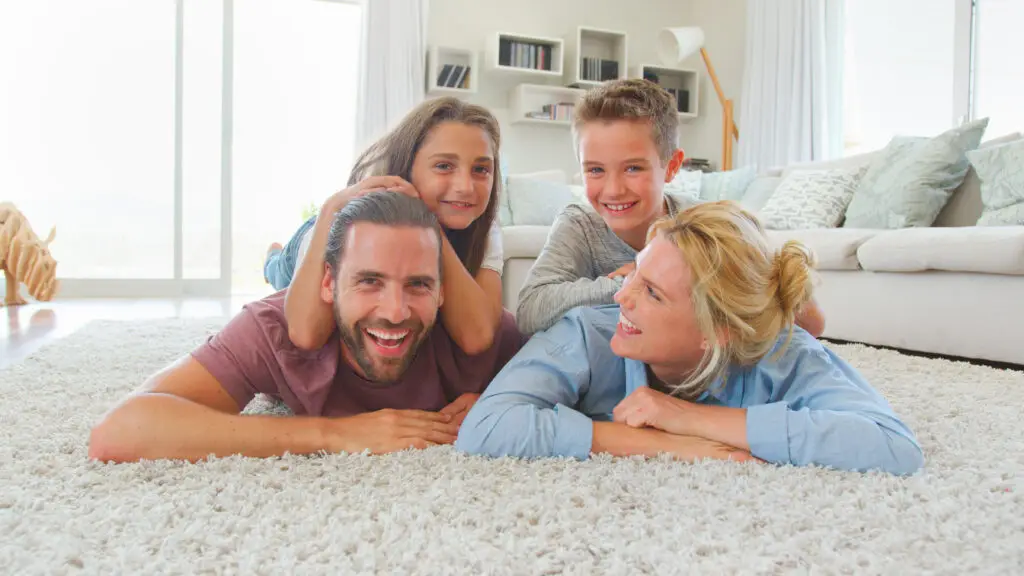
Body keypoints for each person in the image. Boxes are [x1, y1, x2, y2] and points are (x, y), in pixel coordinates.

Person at [456, 201, 924, 476]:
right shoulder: (586, 332)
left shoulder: (784, 352)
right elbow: (486, 427)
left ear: (717, 331)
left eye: (652, 293)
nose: (623, 295)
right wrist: (664, 444)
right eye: (635, 274)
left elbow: (892, 445)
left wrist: (686, 416)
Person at [88, 192, 526, 463]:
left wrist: (506, 401)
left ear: (443, 290)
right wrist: (333, 434)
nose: (395, 311)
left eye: (418, 285)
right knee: (281, 265)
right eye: (369, 281)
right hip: (302, 253)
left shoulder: (479, 336)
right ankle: (276, 257)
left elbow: (585, 383)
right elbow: (121, 430)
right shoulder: (273, 330)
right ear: (329, 282)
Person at [514, 78, 826, 337]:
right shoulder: (579, 225)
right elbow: (530, 311)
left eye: (633, 168)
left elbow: (811, 322)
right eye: (595, 170)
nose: (613, 189)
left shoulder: (703, 224)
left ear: (672, 166)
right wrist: (630, 284)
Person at [268, 96, 506, 356]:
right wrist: (327, 212)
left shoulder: (484, 226)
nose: (465, 187)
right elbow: (306, 334)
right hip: (311, 235)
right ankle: (273, 256)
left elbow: (478, 337)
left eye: (481, 169)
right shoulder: (353, 223)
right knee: (279, 272)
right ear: (407, 165)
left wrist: (431, 228)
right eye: (444, 166)